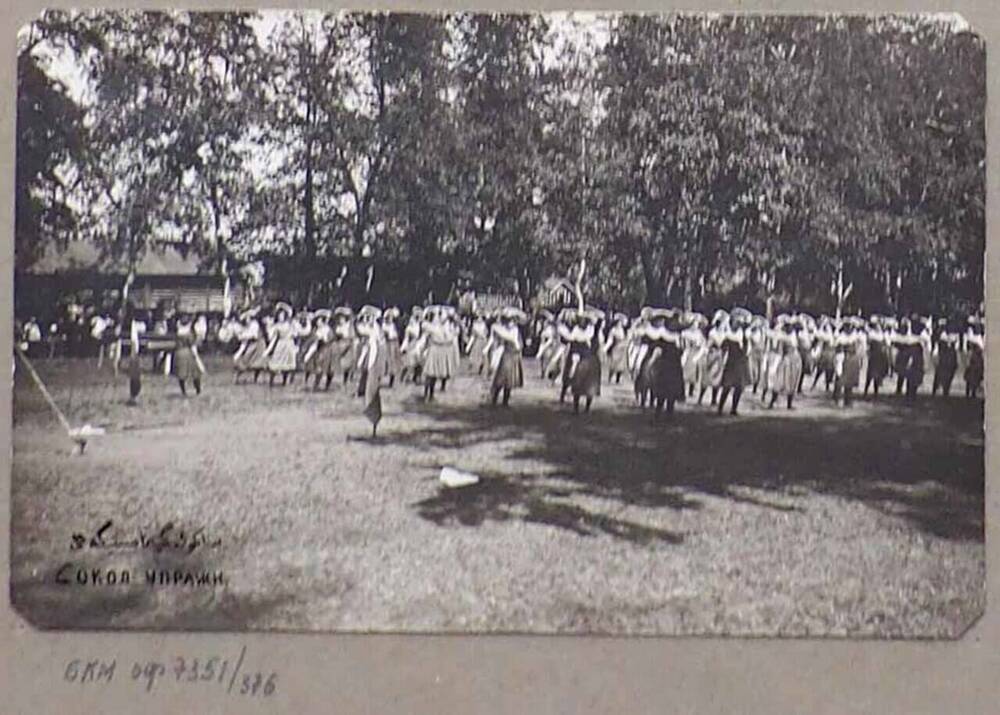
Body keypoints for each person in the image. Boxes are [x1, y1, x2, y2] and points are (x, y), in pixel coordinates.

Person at [642, 309, 686, 420]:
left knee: (665, 390)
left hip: (667, 366)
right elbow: (659, 350)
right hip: (671, 366)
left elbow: (658, 350)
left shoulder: (668, 336)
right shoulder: (672, 337)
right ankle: (666, 413)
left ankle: (662, 412)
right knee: (669, 390)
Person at [562, 308, 603, 414]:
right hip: (581, 358)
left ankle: (587, 408)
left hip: (590, 359)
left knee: (590, 386)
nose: (582, 321)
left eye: (585, 320)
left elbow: (583, 338)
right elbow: (571, 338)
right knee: (577, 382)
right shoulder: (577, 330)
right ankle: (576, 407)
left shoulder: (592, 330)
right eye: (581, 320)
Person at [488, 307, 525, 407]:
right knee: (501, 378)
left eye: (512, 320)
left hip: (514, 355)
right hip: (507, 355)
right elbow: (501, 341)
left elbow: (510, 338)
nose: (511, 322)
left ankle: (505, 401)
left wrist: (498, 329)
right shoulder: (506, 328)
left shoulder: (514, 330)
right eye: (509, 320)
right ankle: (494, 399)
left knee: (510, 380)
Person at [718, 307, 752, 416]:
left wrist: (744, 344)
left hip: (741, 361)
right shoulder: (728, 334)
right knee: (727, 386)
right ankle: (720, 407)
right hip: (731, 361)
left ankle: (734, 408)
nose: (738, 324)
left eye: (740, 322)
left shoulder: (743, 334)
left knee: (739, 387)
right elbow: (723, 347)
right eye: (736, 322)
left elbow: (747, 349)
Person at [765, 316, 803, 410]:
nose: (790, 328)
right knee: (780, 380)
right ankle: (771, 403)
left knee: (792, 381)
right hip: (786, 360)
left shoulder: (794, 335)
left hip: (795, 360)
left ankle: (789, 404)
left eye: (791, 326)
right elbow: (779, 350)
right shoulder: (782, 337)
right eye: (788, 326)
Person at [421, 307, 454, 402]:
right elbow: (424, 338)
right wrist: (420, 349)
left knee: (435, 374)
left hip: (441, 350)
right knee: (430, 373)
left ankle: (431, 395)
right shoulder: (430, 327)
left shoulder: (445, 328)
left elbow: (449, 339)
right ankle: (426, 394)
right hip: (434, 350)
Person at [266, 302, 298, 387]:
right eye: (279, 315)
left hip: (289, 345)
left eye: (283, 315)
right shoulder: (276, 326)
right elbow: (271, 337)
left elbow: (296, 334)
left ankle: (284, 380)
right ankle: (271, 382)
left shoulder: (290, 325)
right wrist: (269, 326)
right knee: (275, 362)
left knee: (287, 365)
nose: (281, 317)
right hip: (280, 344)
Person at [832, 318, 862, 407]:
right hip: (845, 358)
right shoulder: (841, 336)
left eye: (850, 326)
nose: (849, 328)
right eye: (847, 326)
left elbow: (860, 342)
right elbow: (837, 346)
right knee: (841, 378)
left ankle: (848, 400)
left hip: (853, 359)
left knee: (851, 380)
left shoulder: (855, 335)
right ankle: (836, 398)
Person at [172, 313, 204, 396]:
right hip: (187, 353)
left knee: (181, 374)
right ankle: (198, 390)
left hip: (179, 353)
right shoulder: (189, 330)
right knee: (195, 373)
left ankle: (184, 391)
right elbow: (192, 343)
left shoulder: (178, 329)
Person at [700, 310, 728, 406]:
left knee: (717, 379)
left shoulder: (725, 333)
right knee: (708, 377)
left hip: (720, 356)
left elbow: (725, 346)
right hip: (713, 355)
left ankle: (714, 399)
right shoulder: (713, 333)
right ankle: (700, 397)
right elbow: (708, 345)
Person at [932, 318, 960, 397]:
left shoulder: (955, 336)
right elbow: (937, 345)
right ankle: (936, 388)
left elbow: (956, 347)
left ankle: (946, 389)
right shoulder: (942, 334)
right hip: (943, 355)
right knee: (940, 372)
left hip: (951, 355)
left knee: (950, 372)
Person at [864, 315, 890, 396]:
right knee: (870, 374)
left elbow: (887, 344)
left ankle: (876, 392)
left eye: (879, 325)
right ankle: (866, 390)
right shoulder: (871, 333)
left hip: (880, 356)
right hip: (873, 355)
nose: (878, 326)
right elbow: (868, 344)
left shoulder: (884, 334)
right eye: (876, 325)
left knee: (878, 374)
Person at [400, 307, 424, 384]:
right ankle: (404, 377)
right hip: (412, 345)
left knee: (420, 362)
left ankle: (417, 378)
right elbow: (406, 338)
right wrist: (404, 347)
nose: (418, 317)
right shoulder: (409, 327)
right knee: (409, 363)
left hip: (420, 344)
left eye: (419, 315)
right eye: (416, 315)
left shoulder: (422, 325)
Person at [605, 313, 630, 384]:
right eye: (618, 322)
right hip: (616, 348)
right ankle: (610, 376)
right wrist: (606, 348)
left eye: (621, 322)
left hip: (622, 348)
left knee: (621, 365)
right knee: (614, 363)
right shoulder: (613, 330)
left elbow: (627, 339)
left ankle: (618, 379)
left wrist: (626, 344)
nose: (620, 324)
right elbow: (610, 339)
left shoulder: (624, 330)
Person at [381, 307, 403, 388]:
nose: (390, 319)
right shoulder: (384, 326)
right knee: (387, 361)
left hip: (394, 344)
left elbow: (397, 334)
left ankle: (391, 381)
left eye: (391, 317)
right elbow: (385, 336)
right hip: (388, 345)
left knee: (394, 362)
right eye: (389, 317)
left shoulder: (394, 325)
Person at [963, 316, 985, 398]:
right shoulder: (971, 333)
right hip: (974, 356)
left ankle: (973, 391)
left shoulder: (979, 336)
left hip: (977, 356)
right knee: (971, 373)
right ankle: (969, 391)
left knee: (977, 373)